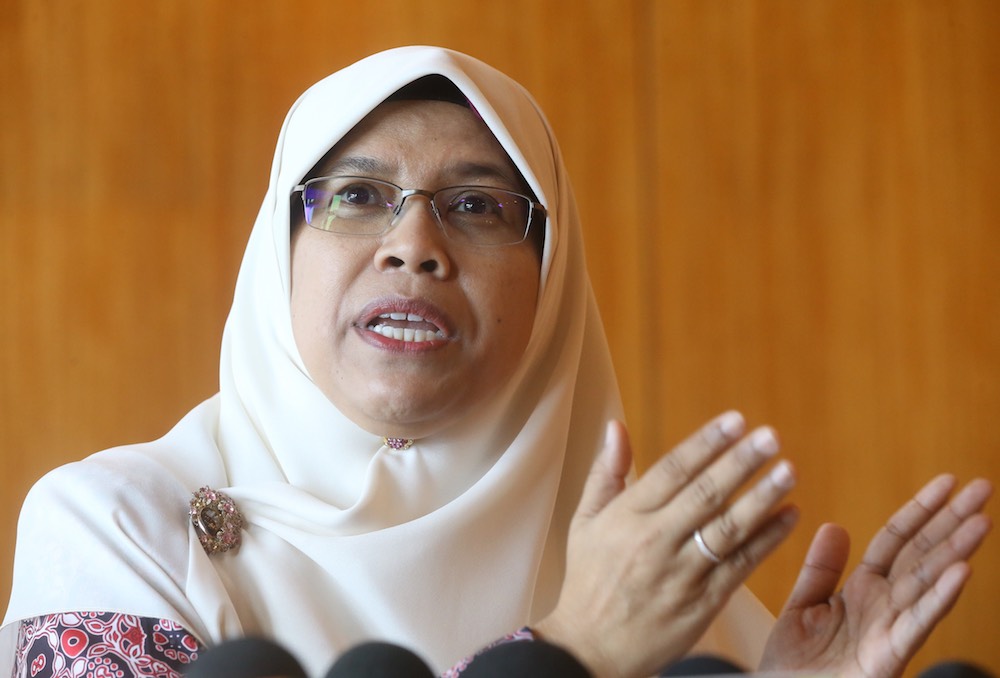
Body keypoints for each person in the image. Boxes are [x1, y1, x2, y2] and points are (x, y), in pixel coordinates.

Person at [1, 46, 992, 678]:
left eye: (478, 205)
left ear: (551, 285)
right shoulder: (112, 523)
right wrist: (578, 654)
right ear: (279, 254)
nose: (415, 245)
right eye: (357, 195)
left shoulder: (653, 569)